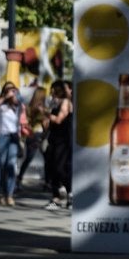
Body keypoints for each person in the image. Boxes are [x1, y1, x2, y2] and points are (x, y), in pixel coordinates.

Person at [0, 81, 26, 207]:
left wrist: (16, 95)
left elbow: (22, 101)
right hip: (2, 137)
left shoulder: (18, 106)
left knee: (11, 165)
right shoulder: (1, 106)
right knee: (3, 167)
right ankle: (3, 193)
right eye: (9, 91)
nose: (12, 93)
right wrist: (5, 97)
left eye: (14, 91)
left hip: (13, 137)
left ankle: (10, 195)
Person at [43, 80, 73, 210]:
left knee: (61, 168)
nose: (51, 93)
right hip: (53, 138)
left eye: (53, 90)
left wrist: (45, 113)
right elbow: (49, 123)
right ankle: (55, 198)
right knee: (51, 168)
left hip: (63, 140)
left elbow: (59, 119)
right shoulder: (54, 103)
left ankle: (70, 193)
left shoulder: (65, 103)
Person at [17, 84, 48, 189]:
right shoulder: (42, 109)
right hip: (39, 134)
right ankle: (47, 182)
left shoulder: (28, 107)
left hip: (30, 134)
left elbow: (26, 121)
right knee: (46, 158)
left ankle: (19, 178)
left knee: (29, 158)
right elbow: (45, 123)